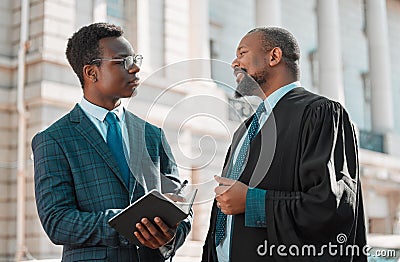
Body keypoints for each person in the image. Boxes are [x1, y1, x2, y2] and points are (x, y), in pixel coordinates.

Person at [202, 27, 367, 261]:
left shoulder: (320, 114)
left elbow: (332, 207)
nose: (234, 63)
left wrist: (253, 202)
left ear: (274, 56)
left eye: (242, 53)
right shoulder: (245, 129)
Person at [32, 22, 191, 262]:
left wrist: (169, 236)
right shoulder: (54, 140)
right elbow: (57, 222)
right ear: (91, 72)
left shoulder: (152, 134)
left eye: (135, 59)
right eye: (123, 61)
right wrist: (129, 224)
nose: (136, 68)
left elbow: (181, 207)